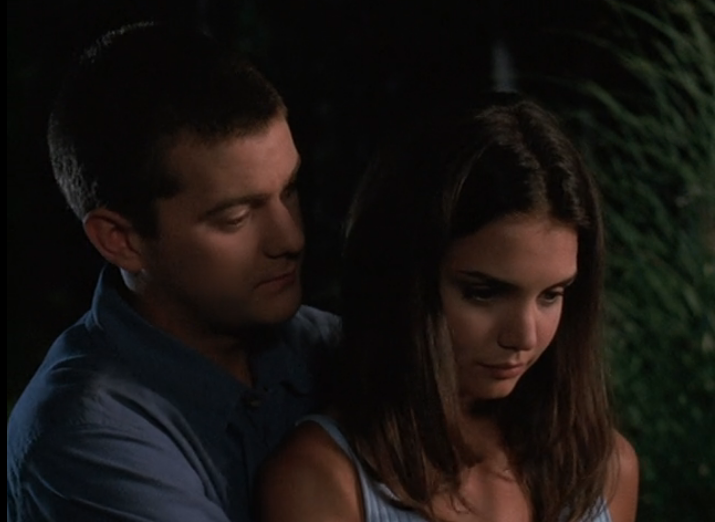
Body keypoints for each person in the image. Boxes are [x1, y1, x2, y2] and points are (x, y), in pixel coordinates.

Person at [7, 21, 340, 522]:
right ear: (120, 240)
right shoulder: (86, 436)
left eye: (289, 190)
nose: (290, 239)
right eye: (236, 217)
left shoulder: (330, 346)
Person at [257, 92, 639, 522]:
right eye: (484, 293)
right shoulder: (322, 480)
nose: (524, 336)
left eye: (551, 295)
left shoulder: (604, 471)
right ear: (405, 282)